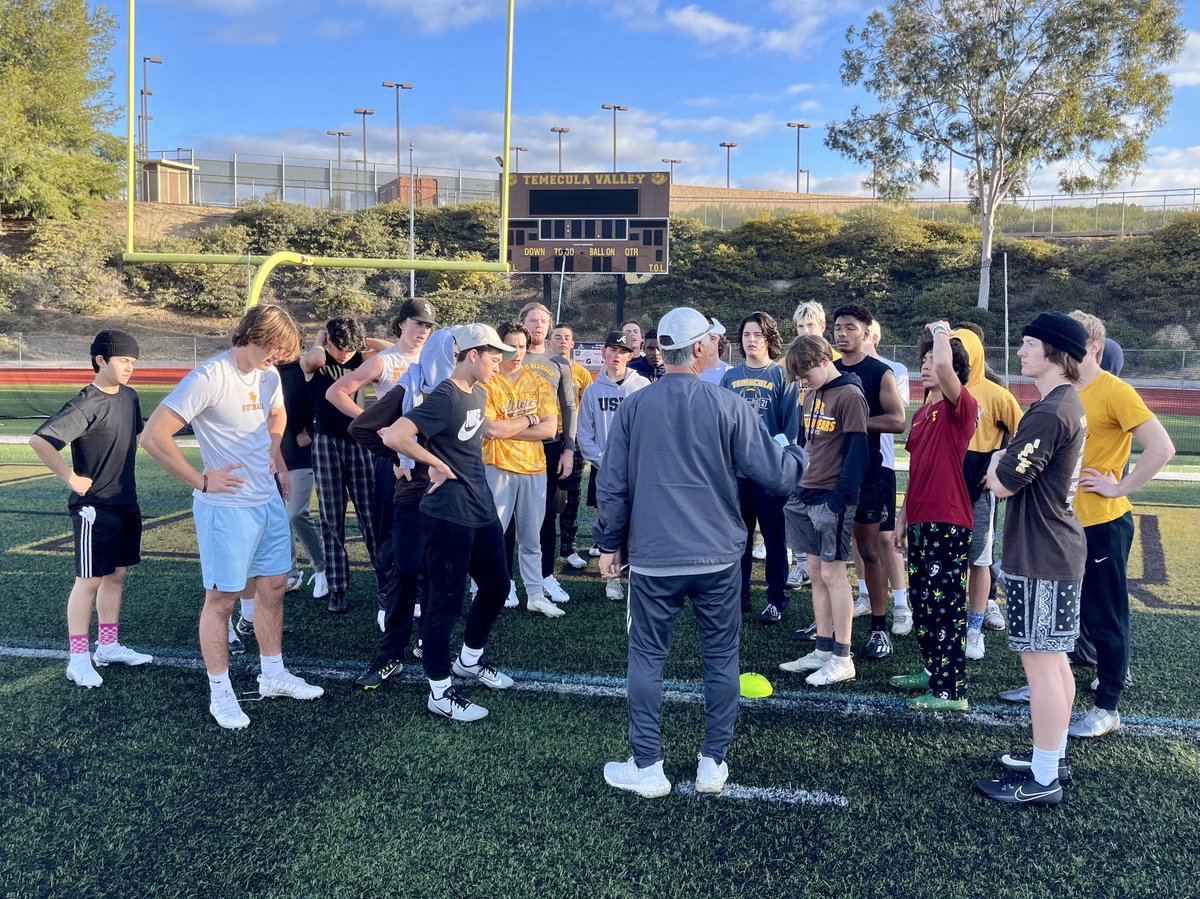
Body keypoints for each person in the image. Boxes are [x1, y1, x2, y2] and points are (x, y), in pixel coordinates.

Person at [597, 307, 805, 799]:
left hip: (653, 557)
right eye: (710, 340)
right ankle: (713, 761)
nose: (717, 345)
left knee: (647, 659)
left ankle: (648, 766)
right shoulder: (726, 404)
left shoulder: (635, 406)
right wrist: (798, 452)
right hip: (716, 556)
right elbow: (776, 474)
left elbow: (613, 486)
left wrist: (608, 545)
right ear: (695, 349)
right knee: (720, 660)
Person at [141, 305, 323, 730]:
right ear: (254, 335)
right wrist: (200, 481)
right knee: (222, 600)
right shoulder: (209, 377)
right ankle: (220, 692)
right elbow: (153, 435)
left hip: (267, 504)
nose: (276, 358)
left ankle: (273, 675)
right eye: (274, 349)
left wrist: (275, 457)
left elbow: (277, 414)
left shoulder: (269, 375)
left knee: (275, 586)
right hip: (226, 510)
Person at [975, 312, 1088, 806]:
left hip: (1042, 552)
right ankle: (1051, 756)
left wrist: (997, 458)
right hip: (1054, 548)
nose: (1020, 352)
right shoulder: (1064, 403)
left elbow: (1000, 484)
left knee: (1040, 664)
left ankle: (1044, 781)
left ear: (1055, 352)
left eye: (1028, 344)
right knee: (1055, 660)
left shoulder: (1048, 411)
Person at [380, 324, 518, 722]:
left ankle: (469, 662)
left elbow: (479, 436)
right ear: (472, 355)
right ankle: (439, 692)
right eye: (494, 357)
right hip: (448, 514)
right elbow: (396, 435)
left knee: (497, 585)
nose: (499, 364)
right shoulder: (443, 396)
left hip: (481, 507)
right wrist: (437, 464)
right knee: (445, 603)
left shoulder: (478, 392)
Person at [1065, 311, 1174, 738]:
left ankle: (1107, 703)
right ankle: (1056, 684)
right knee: (1063, 610)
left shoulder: (1115, 391)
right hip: (1060, 524)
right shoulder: (1062, 389)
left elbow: (1161, 447)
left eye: (1069, 342)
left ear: (1093, 347)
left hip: (1102, 524)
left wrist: (1120, 487)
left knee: (1105, 613)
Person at [29, 330, 152, 688]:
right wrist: (70, 477)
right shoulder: (87, 402)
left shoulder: (130, 397)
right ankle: (78, 658)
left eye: (134, 362)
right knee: (89, 581)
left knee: (116, 575)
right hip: (94, 508)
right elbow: (40, 439)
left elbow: (139, 436)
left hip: (125, 501)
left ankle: (108, 646)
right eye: (124, 360)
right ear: (101, 360)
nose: (130, 367)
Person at [348, 329, 459, 689]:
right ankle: (391, 654)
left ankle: (432, 643)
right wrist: (397, 456)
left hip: (453, 497)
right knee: (407, 570)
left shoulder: (470, 392)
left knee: (439, 574)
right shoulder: (412, 386)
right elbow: (363, 427)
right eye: (457, 352)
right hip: (414, 495)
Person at [326, 300, 436, 627]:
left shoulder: (431, 358)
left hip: (426, 458)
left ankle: (417, 596)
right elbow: (337, 392)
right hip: (393, 459)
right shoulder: (385, 362)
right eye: (417, 324)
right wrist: (374, 422)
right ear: (401, 323)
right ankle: (386, 598)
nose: (423, 331)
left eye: (428, 326)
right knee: (390, 531)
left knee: (425, 530)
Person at [889, 323, 977, 712]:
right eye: (922, 361)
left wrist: (942, 331)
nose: (926, 366)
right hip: (923, 521)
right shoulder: (923, 414)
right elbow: (918, 470)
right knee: (925, 604)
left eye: (931, 361)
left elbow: (945, 361)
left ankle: (950, 691)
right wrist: (903, 518)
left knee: (946, 608)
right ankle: (931, 670)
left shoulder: (961, 407)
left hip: (948, 520)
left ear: (951, 370)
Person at [778, 335, 868, 686]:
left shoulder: (850, 395)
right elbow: (806, 443)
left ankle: (843, 657)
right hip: (806, 492)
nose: (802, 380)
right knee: (815, 571)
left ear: (824, 359)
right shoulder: (812, 393)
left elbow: (858, 452)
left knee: (833, 574)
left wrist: (839, 499)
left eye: (805, 372)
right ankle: (823, 648)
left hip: (833, 497)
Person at [832, 304, 906, 660]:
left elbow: (897, 420)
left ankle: (879, 627)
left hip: (867, 476)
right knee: (825, 557)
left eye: (850, 327)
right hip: (829, 476)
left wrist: (856, 421)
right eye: (838, 327)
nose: (842, 333)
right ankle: (826, 626)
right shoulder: (828, 372)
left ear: (866, 333)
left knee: (869, 551)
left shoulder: (880, 372)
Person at [720, 312, 799, 624]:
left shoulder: (782, 376)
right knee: (738, 538)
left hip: (768, 475)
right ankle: (739, 595)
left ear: (769, 339)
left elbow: (789, 429)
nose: (750, 340)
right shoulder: (729, 377)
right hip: (736, 475)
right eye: (746, 334)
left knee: (774, 538)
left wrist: (771, 461)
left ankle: (777, 598)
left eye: (757, 335)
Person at [951, 324, 1023, 661]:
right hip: (943, 494)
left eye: (961, 351)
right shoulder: (939, 391)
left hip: (978, 494)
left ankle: (974, 628)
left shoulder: (996, 394)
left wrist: (999, 469)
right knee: (945, 560)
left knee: (978, 560)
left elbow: (1024, 439)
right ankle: (947, 622)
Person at [301, 318, 382, 614]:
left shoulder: (362, 359)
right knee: (331, 517)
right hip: (326, 443)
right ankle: (337, 588)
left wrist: (363, 341)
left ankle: (384, 583)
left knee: (370, 515)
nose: (345, 355)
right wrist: (321, 337)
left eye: (350, 349)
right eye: (340, 348)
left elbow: (392, 349)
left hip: (359, 442)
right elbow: (316, 356)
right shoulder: (318, 361)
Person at [482, 322, 563, 618]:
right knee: (493, 535)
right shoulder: (487, 382)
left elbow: (550, 429)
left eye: (522, 346)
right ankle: (486, 589)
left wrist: (508, 429)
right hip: (497, 466)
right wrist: (530, 420)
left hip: (533, 468)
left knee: (531, 537)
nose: (516, 352)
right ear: (498, 347)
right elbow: (489, 429)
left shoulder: (539, 382)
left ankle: (535, 594)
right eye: (510, 345)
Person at [577, 330, 651, 600]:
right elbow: (585, 435)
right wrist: (603, 461)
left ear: (630, 356)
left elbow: (652, 430)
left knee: (641, 523)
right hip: (606, 471)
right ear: (603, 354)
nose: (617, 356)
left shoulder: (642, 386)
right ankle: (612, 580)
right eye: (612, 350)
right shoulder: (593, 391)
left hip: (638, 470)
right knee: (609, 525)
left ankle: (639, 577)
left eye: (622, 351)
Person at [519, 302, 578, 603]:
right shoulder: (509, 356)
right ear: (522, 323)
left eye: (543, 321)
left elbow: (569, 406)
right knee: (506, 516)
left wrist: (569, 449)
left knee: (545, 517)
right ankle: (503, 581)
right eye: (533, 320)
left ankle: (545, 575)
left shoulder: (559, 362)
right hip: (512, 445)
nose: (538, 325)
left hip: (549, 446)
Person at [864, 319, 912, 636]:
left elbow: (897, 415)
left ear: (875, 335)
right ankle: (865, 596)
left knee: (885, 539)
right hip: (851, 464)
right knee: (861, 540)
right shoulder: (839, 367)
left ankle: (901, 604)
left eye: (864, 331)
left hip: (881, 464)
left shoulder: (892, 368)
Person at [276, 355, 327, 600]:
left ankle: (323, 568)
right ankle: (291, 574)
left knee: (295, 513)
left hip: (300, 455)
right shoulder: (264, 371)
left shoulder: (305, 368)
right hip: (271, 456)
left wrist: (311, 431)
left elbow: (327, 404)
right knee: (277, 519)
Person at [549, 323, 593, 570]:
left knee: (572, 498)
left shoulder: (582, 374)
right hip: (544, 440)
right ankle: (537, 548)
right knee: (543, 498)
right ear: (549, 341)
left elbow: (583, 411)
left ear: (573, 343)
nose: (563, 341)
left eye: (567, 337)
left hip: (571, 441)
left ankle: (568, 547)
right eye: (558, 337)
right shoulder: (540, 369)